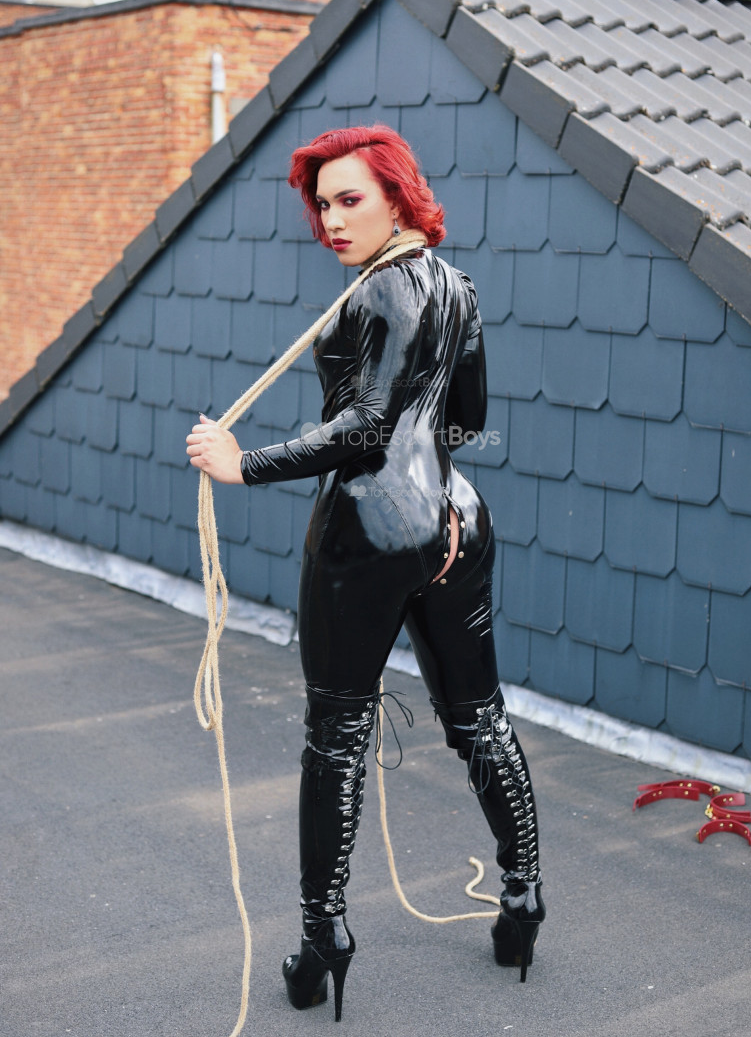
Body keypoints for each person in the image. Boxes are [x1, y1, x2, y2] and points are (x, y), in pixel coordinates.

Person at [186, 125, 545, 1022]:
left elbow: (366, 429)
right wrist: (435, 477)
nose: (333, 219)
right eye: (323, 204)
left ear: (397, 195)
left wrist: (243, 464)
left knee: (337, 737)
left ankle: (322, 941)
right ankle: (523, 897)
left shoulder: (380, 290)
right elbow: (466, 420)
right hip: (454, 522)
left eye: (351, 198)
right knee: (479, 717)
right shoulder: (456, 287)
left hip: (369, 531)